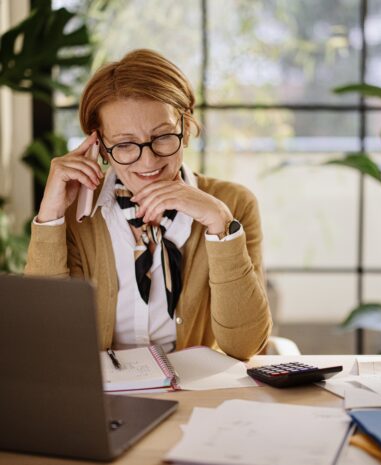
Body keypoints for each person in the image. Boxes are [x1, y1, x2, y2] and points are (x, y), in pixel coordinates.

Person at [25, 49, 272, 360]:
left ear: (186, 127)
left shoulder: (235, 204)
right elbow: (46, 341)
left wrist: (220, 223)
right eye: (126, 144)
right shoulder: (77, 213)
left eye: (163, 136)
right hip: (101, 397)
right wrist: (50, 218)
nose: (149, 159)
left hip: (193, 395)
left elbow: (247, 345)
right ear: (99, 145)